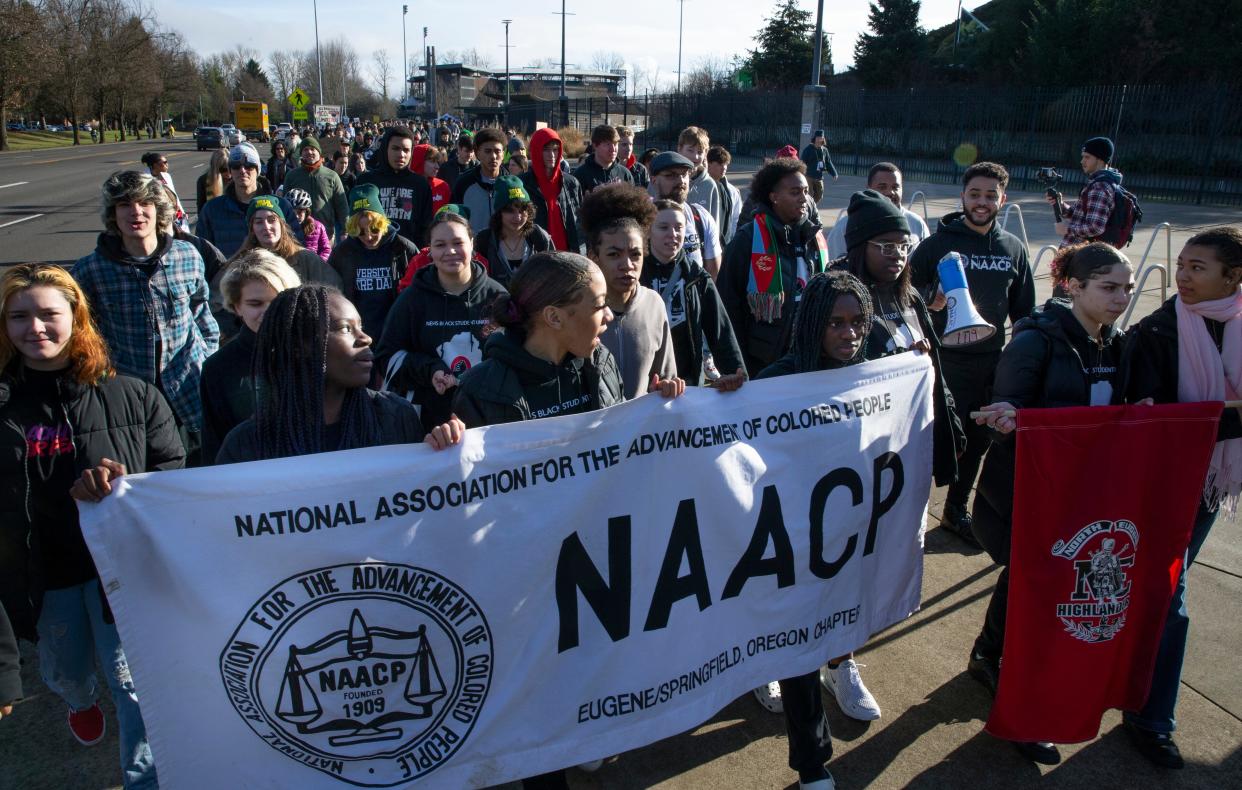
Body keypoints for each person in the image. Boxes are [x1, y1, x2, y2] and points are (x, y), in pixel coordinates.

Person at [0, 262, 185, 790]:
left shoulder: (132, 394)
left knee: (132, 686)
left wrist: (131, 488)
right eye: (19, 317)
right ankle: (78, 702)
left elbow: (172, 472)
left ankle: (143, 781)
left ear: (77, 317)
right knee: (64, 670)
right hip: (45, 580)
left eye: (49, 315)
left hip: (118, 577)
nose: (35, 328)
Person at [970, 242, 1135, 765]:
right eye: (1109, 287)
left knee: (1034, 584)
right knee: (1033, 585)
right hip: (1030, 492)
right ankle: (1017, 691)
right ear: (1073, 286)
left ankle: (987, 654)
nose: (1121, 298)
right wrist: (1017, 419)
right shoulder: (1035, 341)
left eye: (1127, 289)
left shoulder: (1116, 343)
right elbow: (1008, 417)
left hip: (1085, 495)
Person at [1118, 226, 1242, 769]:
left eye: (1198, 268)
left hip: (1211, 483)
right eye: (1183, 264)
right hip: (1164, 482)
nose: (1183, 276)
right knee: (1172, 602)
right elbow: (1153, 421)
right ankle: (1152, 719)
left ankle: (1135, 689)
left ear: (1233, 278)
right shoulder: (1159, 331)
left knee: (1157, 595)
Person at [754, 270, 874, 790]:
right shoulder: (780, 379)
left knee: (836, 625)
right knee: (797, 649)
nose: (848, 334)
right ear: (810, 326)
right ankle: (812, 763)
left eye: (857, 323)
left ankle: (842, 668)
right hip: (790, 541)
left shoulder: (875, 376)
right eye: (835, 323)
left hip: (844, 536)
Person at [909, 162, 1035, 546]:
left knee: (977, 443)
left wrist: (1021, 362)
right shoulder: (937, 244)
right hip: (943, 364)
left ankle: (954, 510)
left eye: (990, 195)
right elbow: (903, 297)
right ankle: (906, 516)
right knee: (930, 444)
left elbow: (1025, 312)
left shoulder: (1012, 248)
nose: (982, 202)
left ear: (1002, 199)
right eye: (975, 194)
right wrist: (931, 301)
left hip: (992, 364)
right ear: (963, 196)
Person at [212, 285, 463, 463]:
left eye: (361, 327)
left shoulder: (395, 417)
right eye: (346, 328)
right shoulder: (247, 446)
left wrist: (444, 452)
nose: (366, 338)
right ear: (301, 347)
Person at [73, 171, 219, 465]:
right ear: (114, 214)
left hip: (187, 392)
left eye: (145, 203)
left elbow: (202, 312)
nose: (136, 212)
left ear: (159, 210)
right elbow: (83, 332)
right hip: (128, 399)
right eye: (125, 204)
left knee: (197, 469)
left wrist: (208, 354)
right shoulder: (91, 269)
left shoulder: (188, 255)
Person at [376, 211, 507, 432]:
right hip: (428, 425)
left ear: (472, 244)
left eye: (458, 242)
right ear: (430, 250)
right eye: (440, 245)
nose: (450, 251)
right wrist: (430, 371)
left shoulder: (498, 297)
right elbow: (386, 357)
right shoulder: (412, 299)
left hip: (487, 422)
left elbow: (514, 354)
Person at [718, 157, 830, 378]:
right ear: (774, 197)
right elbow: (727, 306)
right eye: (795, 192)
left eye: (806, 191)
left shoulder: (814, 238)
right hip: (763, 363)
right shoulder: (748, 239)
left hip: (811, 358)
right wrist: (736, 366)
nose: (804, 199)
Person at [200, 250, 302, 464]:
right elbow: (214, 445)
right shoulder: (217, 368)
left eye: (276, 301)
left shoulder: (316, 353)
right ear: (237, 306)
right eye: (255, 304)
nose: (267, 312)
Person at [580, 184, 679, 400]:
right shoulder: (576, 310)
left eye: (635, 254)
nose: (627, 265)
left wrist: (666, 387)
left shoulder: (654, 304)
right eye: (614, 255)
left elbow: (664, 376)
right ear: (593, 257)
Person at [645, 198, 747, 389]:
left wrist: (736, 374)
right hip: (647, 382)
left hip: (688, 381)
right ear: (648, 230)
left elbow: (720, 330)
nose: (673, 234)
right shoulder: (636, 273)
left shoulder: (697, 276)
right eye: (663, 227)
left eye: (679, 227)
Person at [328, 184, 419, 340]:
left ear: (382, 224)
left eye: (374, 229)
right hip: (357, 334)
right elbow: (331, 292)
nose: (369, 237)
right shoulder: (342, 253)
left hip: (396, 332)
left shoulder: (403, 248)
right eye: (361, 232)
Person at [197, 143, 300, 258]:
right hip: (229, 274)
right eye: (236, 166)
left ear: (258, 170)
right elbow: (203, 253)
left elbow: (298, 248)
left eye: (249, 166)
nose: (242, 170)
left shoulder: (281, 206)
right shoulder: (212, 209)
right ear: (230, 171)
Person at [233, 195, 342, 290]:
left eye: (272, 220)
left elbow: (334, 289)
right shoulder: (241, 262)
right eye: (259, 222)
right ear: (252, 229)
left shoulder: (306, 259)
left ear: (282, 224)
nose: (266, 227)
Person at [827, 162, 930, 259]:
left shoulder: (917, 224)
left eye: (895, 187)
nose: (890, 192)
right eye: (882, 187)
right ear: (868, 189)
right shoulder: (845, 227)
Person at [355, 126, 435, 248]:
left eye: (406, 150)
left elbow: (426, 226)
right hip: (371, 254)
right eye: (395, 148)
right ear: (386, 149)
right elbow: (356, 222)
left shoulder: (420, 184)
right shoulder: (366, 181)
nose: (401, 154)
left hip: (409, 256)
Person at [647, 151, 723, 278]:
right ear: (653, 180)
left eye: (684, 174)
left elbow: (712, 273)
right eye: (671, 175)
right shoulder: (640, 217)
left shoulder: (701, 217)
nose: (681, 181)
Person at [472, 175, 554, 286]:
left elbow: (553, 276)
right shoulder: (484, 240)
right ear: (499, 213)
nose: (517, 217)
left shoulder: (539, 237)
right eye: (510, 211)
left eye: (522, 210)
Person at [1047, 136, 1126, 247]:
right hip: (1078, 253)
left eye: (1087, 157)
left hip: (1081, 255)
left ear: (1100, 160)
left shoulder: (1100, 187)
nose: (1082, 161)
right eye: (1083, 157)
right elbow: (1077, 215)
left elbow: (1095, 227)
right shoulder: (1096, 183)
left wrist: (1067, 229)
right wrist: (1060, 204)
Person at [522, 127, 585, 254]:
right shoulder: (523, 184)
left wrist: (582, 252)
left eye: (555, 150)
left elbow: (579, 222)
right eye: (545, 149)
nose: (551, 155)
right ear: (536, 150)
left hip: (569, 255)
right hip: (537, 255)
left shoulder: (571, 183)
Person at [282, 138, 349, 243]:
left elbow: (342, 205)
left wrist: (345, 230)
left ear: (319, 152)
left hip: (326, 234)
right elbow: (284, 205)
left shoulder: (332, 176)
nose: (309, 152)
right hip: (298, 235)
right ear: (301, 153)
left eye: (313, 149)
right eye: (305, 149)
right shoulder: (292, 176)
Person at [452, 128, 507, 235]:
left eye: (497, 151)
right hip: (472, 248)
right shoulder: (463, 183)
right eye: (487, 151)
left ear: (503, 154)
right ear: (477, 153)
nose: (493, 156)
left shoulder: (511, 184)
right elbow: (454, 221)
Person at [677, 126, 724, 230]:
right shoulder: (664, 178)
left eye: (700, 152)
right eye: (690, 150)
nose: (695, 157)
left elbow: (714, 226)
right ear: (679, 149)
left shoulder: (710, 185)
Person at [573, 125, 634, 193]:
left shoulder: (625, 173)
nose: (613, 149)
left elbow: (632, 202)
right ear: (595, 145)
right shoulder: (580, 175)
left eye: (615, 143)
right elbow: (575, 202)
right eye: (608, 144)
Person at [141, 151, 188, 233]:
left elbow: (174, 195)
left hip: (177, 215)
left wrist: (182, 212)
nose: (167, 164)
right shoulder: (145, 180)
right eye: (164, 162)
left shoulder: (167, 176)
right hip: (161, 218)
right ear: (155, 165)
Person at [707, 145, 742, 245]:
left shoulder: (733, 191)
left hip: (726, 243)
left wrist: (733, 242)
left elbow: (736, 218)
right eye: (719, 163)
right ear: (708, 164)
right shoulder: (698, 188)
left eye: (726, 164)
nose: (724, 167)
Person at [286, 187, 333, 261]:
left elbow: (326, 249)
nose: (296, 216)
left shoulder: (317, 227)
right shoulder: (283, 227)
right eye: (292, 212)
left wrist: (318, 263)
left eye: (300, 212)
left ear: (307, 212)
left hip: (312, 267)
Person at [800, 130, 838, 206]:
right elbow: (802, 162)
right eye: (818, 137)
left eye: (821, 137)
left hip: (819, 176)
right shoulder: (808, 149)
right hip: (809, 176)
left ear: (823, 139)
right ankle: (808, 208)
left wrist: (834, 173)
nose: (819, 139)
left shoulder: (824, 150)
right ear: (814, 138)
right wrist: (801, 174)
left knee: (819, 195)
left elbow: (828, 162)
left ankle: (811, 206)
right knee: (809, 195)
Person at [412, 143, 453, 214]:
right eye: (432, 161)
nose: (437, 167)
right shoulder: (405, 187)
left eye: (437, 162)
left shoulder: (442, 186)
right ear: (419, 161)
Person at [195, 148, 231, 217]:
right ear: (215, 169)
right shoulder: (203, 181)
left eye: (230, 168)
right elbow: (201, 209)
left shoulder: (235, 179)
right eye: (224, 169)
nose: (229, 173)